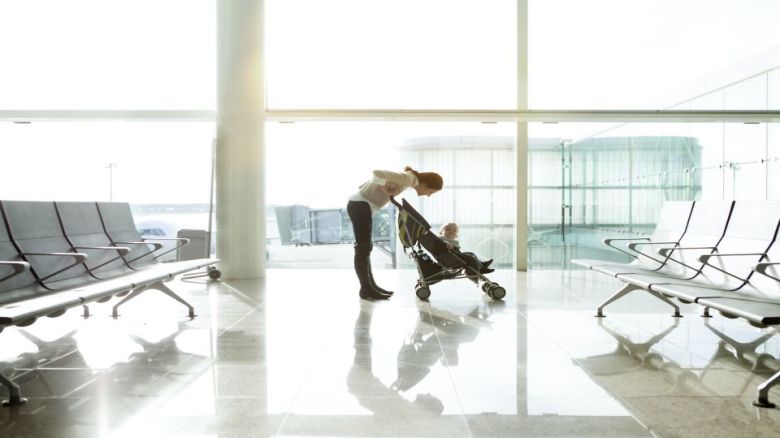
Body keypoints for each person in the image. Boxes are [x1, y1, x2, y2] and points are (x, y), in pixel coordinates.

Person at [347, 166, 443, 300]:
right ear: (426, 184)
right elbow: (377, 173)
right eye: (431, 192)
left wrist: (379, 188)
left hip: (362, 206)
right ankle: (366, 288)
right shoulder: (409, 178)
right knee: (362, 248)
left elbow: (369, 184)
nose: (428, 195)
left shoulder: (409, 180)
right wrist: (383, 187)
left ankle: (370, 286)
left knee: (365, 247)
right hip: (360, 206)